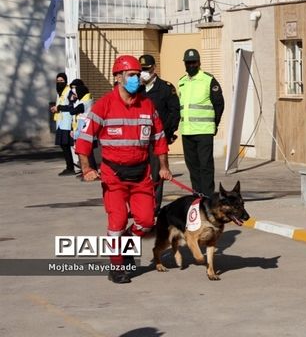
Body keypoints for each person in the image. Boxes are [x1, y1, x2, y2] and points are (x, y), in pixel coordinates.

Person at [75, 55, 172, 284]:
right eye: (131, 75)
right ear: (118, 77)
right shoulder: (104, 105)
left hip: (141, 175)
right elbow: (84, 139)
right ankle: (117, 266)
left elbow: (159, 139)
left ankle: (127, 243)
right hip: (113, 176)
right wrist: (87, 168)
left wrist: (164, 168)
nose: (136, 79)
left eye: (138, 75)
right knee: (117, 222)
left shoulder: (147, 106)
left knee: (147, 222)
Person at [178, 48, 224, 198]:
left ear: (199, 63)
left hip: (204, 131)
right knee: (192, 167)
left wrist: (214, 124)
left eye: (194, 62)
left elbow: (219, 104)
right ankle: (197, 196)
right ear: (185, 64)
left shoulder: (208, 80)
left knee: (205, 167)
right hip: (187, 131)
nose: (191, 65)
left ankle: (208, 197)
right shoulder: (182, 82)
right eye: (188, 63)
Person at [138, 54, 180, 215]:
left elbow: (174, 112)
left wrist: (167, 133)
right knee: (140, 175)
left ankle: (154, 208)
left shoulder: (165, 88)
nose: (144, 73)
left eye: (147, 69)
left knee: (156, 175)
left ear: (154, 68)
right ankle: (140, 205)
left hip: (157, 139)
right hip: (139, 140)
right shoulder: (137, 89)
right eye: (141, 70)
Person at [69, 79, 97, 172]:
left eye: (76, 93)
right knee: (89, 152)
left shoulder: (83, 103)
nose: (75, 95)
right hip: (89, 128)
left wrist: (71, 102)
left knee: (86, 153)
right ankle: (90, 170)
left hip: (84, 130)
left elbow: (72, 111)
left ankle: (91, 171)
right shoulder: (90, 99)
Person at [50, 72, 75, 176]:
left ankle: (70, 168)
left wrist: (58, 108)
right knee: (63, 145)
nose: (59, 83)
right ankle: (69, 167)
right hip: (61, 123)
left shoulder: (69, 92)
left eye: (62, 81)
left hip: (67, 123)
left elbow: (71, 106)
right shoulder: (60, 92)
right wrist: (55, 108)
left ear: (66, 81)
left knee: (66, 145)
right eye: (58, 81)